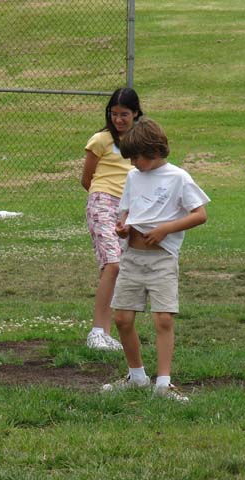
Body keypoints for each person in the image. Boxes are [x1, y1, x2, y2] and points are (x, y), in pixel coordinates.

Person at [102, 117, 210, 402]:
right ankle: (137, 377)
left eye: (136, 157)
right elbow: (126, 212)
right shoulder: (133, 177)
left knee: (163, 319)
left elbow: (200, 214)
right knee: (122, 319)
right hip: (132, 258)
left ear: (152, 151)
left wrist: (165, 229)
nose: (133, 163)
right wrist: (123, 228)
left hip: (162, 260)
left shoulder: (178, 177)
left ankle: (163, 384)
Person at [81, 88, 143, 350]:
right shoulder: (101, 140)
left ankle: (107, 332)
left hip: (130, 209)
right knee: (113, 264)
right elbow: (86, 178)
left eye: (124, 114)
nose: (118, 119)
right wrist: (103, 198)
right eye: (114, 114)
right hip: (102, 201)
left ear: (136, 113)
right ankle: (97, 332)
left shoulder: (140, 140)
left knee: (118, 269)